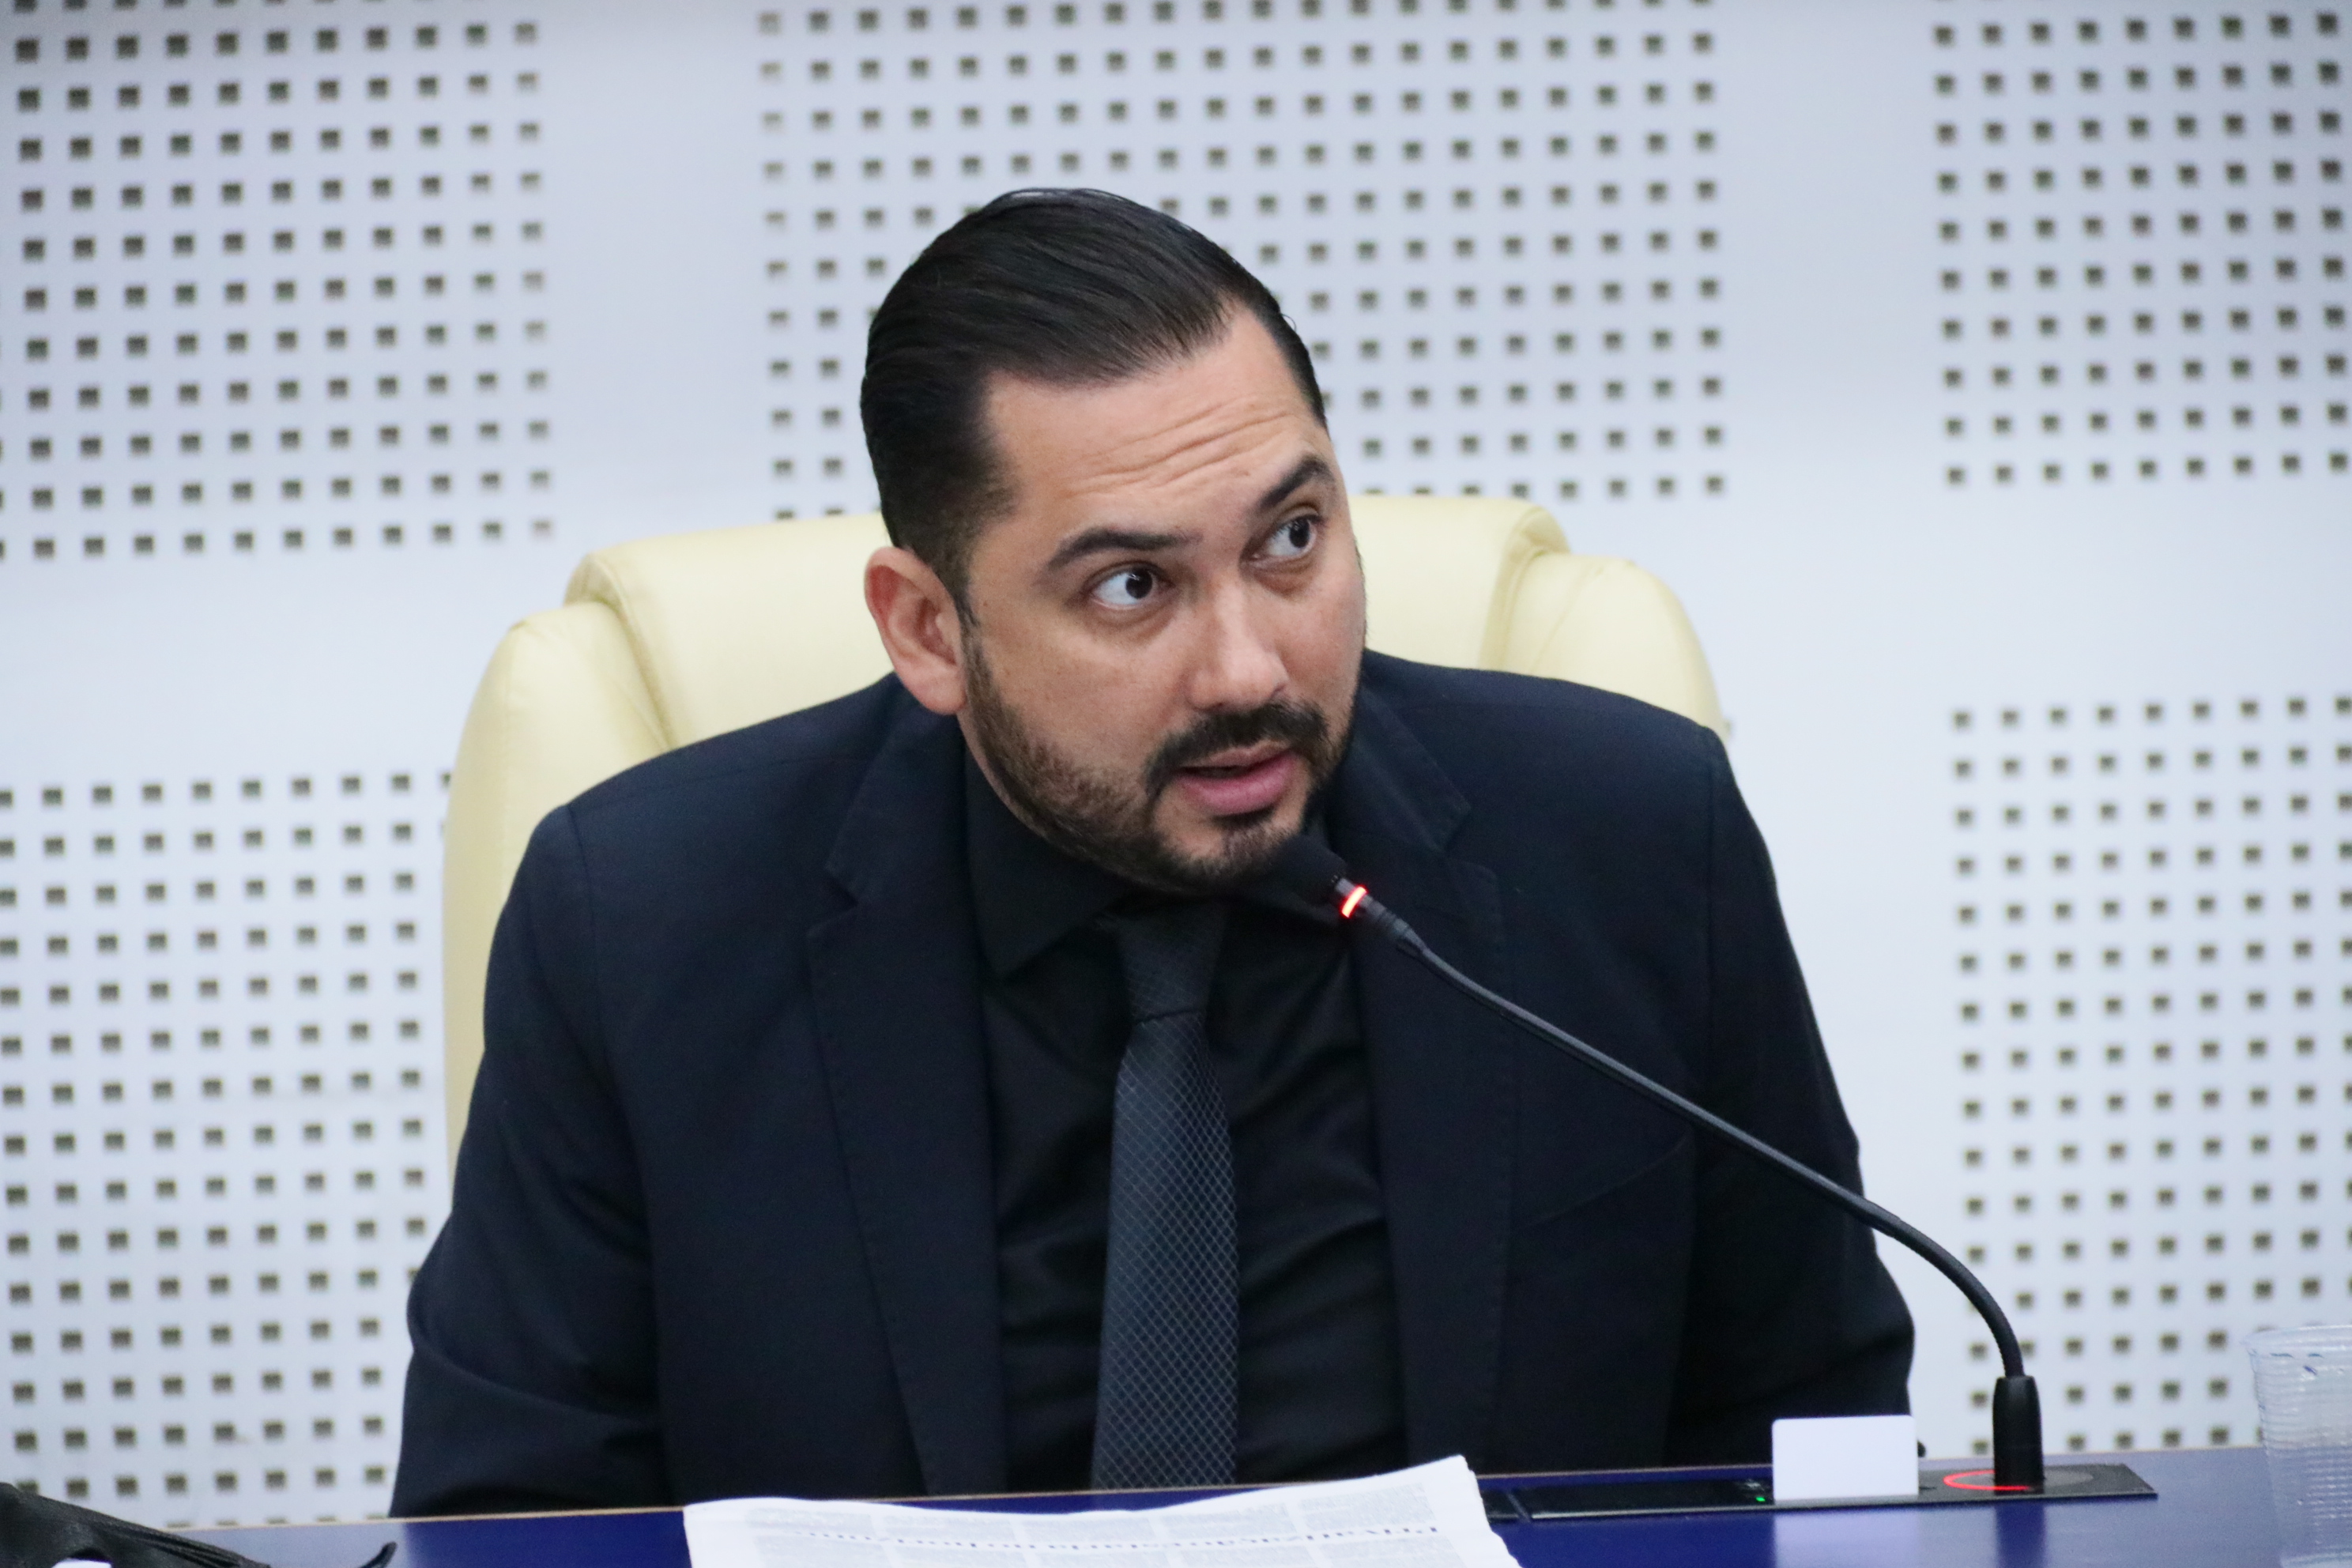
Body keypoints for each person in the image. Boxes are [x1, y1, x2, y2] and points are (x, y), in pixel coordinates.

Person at [392, 189, 1911, 1517]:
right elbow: (511, 1520)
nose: (1249, 669)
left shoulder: (1630, 842)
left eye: (1291, 539)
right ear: (929, 631)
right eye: (1133, 587)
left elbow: (1815, 1442)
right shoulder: (642, 925)